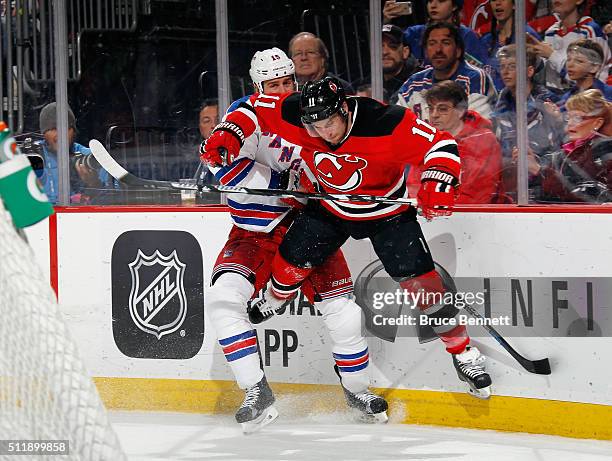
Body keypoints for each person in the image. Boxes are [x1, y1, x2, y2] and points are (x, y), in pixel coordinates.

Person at [201, 76, 494, 400]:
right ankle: (274, 299)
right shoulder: (297, 113)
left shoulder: (385, 121)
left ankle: (463, 353)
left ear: (343, 108)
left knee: (424, 287)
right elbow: (254, 107)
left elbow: (441, 144)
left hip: (386, 214)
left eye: (329, 124)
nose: (324, 133)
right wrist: (231, 131)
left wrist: (439, 178)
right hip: (330, 208)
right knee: (289, 263)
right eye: (315, 128)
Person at [203, 50, 388, 433]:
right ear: (258, 88)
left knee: (344, 312)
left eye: (288, 83)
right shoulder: (246, 114)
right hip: (256, 233)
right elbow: (229, 150)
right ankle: (256, 390)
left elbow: (346, 154)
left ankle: (356, 389)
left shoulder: (312, 113)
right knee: (224, 299)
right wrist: (270, 178)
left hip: (310, 226)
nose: (283, 90)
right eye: (274, 85)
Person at [406, 81, 503, 204]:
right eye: (431, 108)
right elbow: (413, 187)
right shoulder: (426, 142)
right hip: (432, 214)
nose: (434, 115)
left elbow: (479, 192)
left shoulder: (483, 140)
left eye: (442, 109)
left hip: (475, 217)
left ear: (460, 111)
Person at [490, 44, 565, 197]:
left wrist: (558, 122)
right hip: (508, 181)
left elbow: (561, 149)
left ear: (530, 71)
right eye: (503, 66)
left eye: (512, 66)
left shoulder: (549, 102)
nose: (505, 72)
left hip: (544, 183)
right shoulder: (497, 104)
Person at [398, 22, 497, 121]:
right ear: (426, 52)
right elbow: (397, 122)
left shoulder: (474, 78)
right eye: (432, 44)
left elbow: (477, 128)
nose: (438, 50)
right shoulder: (414, 84)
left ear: (458, 51)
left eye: (445, 43)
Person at [527, 89, 612, 203]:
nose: (570, 123)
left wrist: (537, 170)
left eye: (577, 118)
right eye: (569, 117)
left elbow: (588, 194)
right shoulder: (565, 152)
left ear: (597, 123)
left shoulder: (604, 151)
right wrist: (534, 164)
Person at [35, 102, 111, 204]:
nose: (60, 134)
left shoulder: (91, 158)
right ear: (43, 134)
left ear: (74, 131)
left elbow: (114, 204)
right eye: (53, 129)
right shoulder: (33, 157)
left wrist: (95, 184)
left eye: (65, 128)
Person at [528, 0, 611, 91]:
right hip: (553, 97)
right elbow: (546, 74)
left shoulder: (590, 30)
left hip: (585, 98)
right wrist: (534, 56)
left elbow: (597, 76)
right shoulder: (550, 32)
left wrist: (552, 55)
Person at [394, 0, 487, 67]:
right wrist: (385, 20)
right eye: (430, 1)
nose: (433, 5)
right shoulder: (414, 33)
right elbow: (389, 47)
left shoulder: (467, 36)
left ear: (454, 6)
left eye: (441, 1)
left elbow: (479, 69)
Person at [479, 0, 541, 91]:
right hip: (491, 99)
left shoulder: (527, 36)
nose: (498, 3)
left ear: (514, 5)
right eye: (493, 0)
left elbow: (536, 77)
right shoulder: (486, 41)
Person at [288, 32, 354, 93]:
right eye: (298, 53)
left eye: (310, 52)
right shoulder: (286, 88)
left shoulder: (340, 87)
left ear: (322, 59)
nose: (304, 58)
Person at [556, 39, 612, 109]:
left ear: (594, 67)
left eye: (579, 61)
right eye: (569, 59)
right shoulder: (566, 98)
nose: (570, 64)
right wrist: (557, 117)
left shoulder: (609, 94)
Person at [382, 24, 421, 103]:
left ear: (405, 52)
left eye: (393, 46)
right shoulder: (366, 83)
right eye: (380, 47)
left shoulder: (417, 83)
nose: (384, 52)